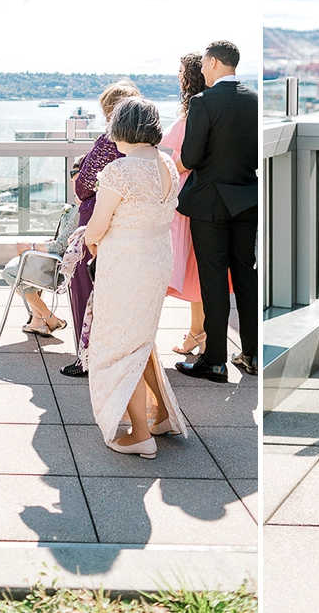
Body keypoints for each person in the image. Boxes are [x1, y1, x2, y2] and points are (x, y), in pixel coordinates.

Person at [82, 97, 187, 458]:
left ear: (121, 129)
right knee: (141, 338)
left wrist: (89, 242)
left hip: (126, 263)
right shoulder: (166, 164)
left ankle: (140, 433)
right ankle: (162, 417)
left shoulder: (119, 171)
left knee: (117, 343)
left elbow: (97, 226)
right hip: (157, 257)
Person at [175, 40, 259, 382]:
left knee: (213, 280)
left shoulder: (203, 101)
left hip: (210, 204)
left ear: (211, 63)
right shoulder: (254, 100)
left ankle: (215, 361)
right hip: (246, 200)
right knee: (245, 276)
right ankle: (251, 354)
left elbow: (191, 157)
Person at [59, 80, 141, 378]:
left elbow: (84, 186)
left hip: (97, 218)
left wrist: (78, 173)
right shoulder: (146, 147)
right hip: (130, 222)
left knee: (85, 286)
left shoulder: (109, 140)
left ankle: (87, 357)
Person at [161, 52, 209, 355]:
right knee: (194, 269)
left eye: (180, 71)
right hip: (190, 196)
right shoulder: (199, 108)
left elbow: (183, 157)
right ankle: (197, 333)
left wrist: (166, 173)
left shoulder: (195, 110)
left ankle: (197, 333)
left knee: (185, 266)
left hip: (182, 197)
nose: (178, 75)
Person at [7, 195, 77, 337]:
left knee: (10, 273)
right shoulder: (81, 208)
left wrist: (30, 246)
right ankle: (38, 322)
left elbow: (60, 246)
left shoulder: (79, 211)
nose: (75, 185)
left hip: (56, 267)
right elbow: (62, 241)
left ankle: (48, 318)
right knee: (18, 274)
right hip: (57, 262)